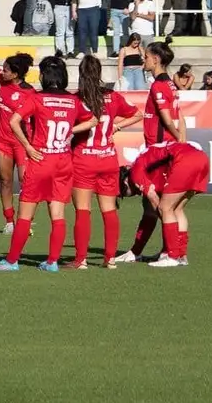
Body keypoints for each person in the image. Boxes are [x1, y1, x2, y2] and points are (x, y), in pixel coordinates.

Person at [0, 56, 90, 273]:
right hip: (63, 161)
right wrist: (70, 132)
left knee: (26, 213)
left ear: (44, 76)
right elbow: (93, 119)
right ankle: (52, 261)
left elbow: (13, 121)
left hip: (41, 160)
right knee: (57, 214)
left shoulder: (38, 98)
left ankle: (11, 261)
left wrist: (27, 147)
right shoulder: (73, 101)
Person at [113, 39, 184, 265]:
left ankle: (168, 253)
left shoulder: (159, 86)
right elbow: (179, 115)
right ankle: (169, 252)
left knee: (157, 204)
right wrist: (181, 139)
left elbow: (166, 117)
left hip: (160, 152)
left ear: (156, 59)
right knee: (164, 205)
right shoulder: (170, 84)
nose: (143, 59)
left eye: (146, 57)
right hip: (166, 150)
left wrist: (172, 139)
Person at [70, 56, 142, 269]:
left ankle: (81, 259)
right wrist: (117, 127)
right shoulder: (112, 97)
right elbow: (138, 114)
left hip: (84, 159)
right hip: (108, 159)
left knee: (83, 210)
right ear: (99, 73)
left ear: (81, 75)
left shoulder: (77, 99)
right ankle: (109, 258)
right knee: (109, 210)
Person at [128, 140, 210, 268]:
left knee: (165, 208)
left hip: (185, 160)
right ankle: (181, 255)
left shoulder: (135, 171)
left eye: (124, 191)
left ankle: (172, 256)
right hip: (201, 157)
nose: (131, 194)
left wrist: (166, 223)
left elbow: (153, 197)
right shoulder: (147, 157)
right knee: (177, 209)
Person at [0, 53, 35, 233]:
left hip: (22, 142)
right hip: (3, 141)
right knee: (5, 181)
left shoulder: (30, 92)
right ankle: (9, 221)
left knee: (25, 181)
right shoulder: (1, 82)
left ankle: (24, 221)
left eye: (6, 70)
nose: (2, 72)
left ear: (16, 74)